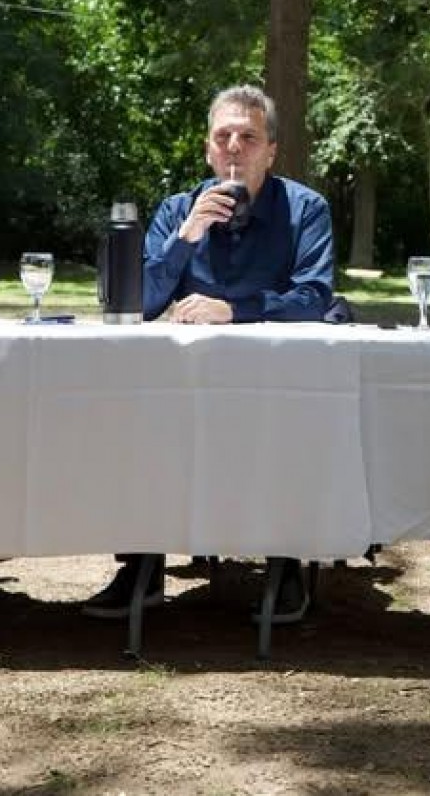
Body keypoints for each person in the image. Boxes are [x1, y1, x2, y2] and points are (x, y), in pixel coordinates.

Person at [81, 85, 337, 622]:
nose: (235, 148)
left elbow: (314, 298)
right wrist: (187, 236)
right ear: (207, 149)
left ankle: (285, 562)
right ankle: (144, 564)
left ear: (271, 150)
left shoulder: (305, 209)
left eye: (249, 137)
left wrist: (233, 308)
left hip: (275, 383)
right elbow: (142, 300)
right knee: (134, 418)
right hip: (186, 385)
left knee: (290, 424)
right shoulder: (179, 209)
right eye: (223, 137)